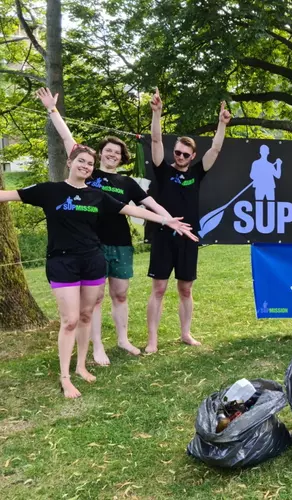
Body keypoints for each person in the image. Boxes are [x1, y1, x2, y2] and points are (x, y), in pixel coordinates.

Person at [0, 145, 194, 398]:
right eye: (81, 161)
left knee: (86, 315)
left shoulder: (97, 195)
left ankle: (81, 365)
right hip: (62, 263)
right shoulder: (49, 191)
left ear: (93, 169)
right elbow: (7, 194)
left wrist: (166, 220)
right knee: (69, 320)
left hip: (92, 260)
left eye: (89, 164)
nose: (85, 166)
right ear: (70, 162)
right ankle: (65, 377)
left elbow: (132, 209)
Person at [35, 88, 196, 366]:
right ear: (99, 155)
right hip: (91, 245)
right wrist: (52, 109)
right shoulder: (88, 171)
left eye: (117, 153)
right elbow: (66, 138)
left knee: (120, 294)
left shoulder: (128, 183)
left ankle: (122, 339)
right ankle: (97, 347)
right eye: (107, 151)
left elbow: (149, 204)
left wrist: (170, 220)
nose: (112, 155)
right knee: (95, 298)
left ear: (122, 159)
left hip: (121, 244)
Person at [146, 88, 231, 353]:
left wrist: (222, 123)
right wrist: (157, 113)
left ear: (192, 156)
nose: (180, 157)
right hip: (163, 235)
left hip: (189, 238)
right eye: (178, 152)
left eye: (185, 154)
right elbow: (157, 141)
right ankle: (152, 340)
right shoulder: (161, 170)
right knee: (159, 288)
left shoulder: (196, 172)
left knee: (185, 289)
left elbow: (215, 148)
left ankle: (185, 333)